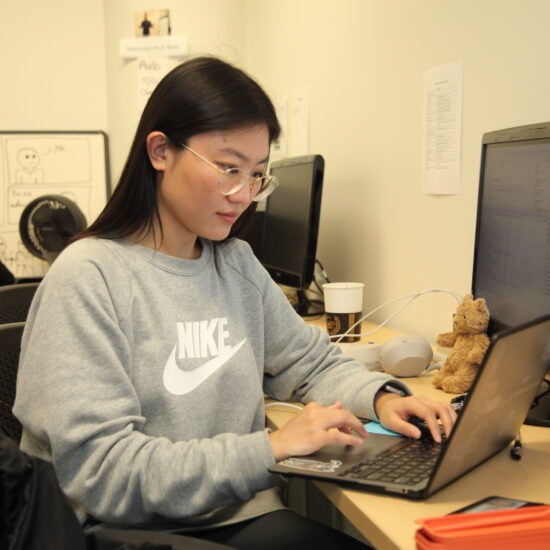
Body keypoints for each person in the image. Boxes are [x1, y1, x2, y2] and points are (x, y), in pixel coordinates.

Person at [13, 56, 456, 549]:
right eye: (228, 169)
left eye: (257, 175)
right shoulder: (89, 276)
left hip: (235, 518)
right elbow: (104, 473)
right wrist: (270, 448)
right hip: (127, 533)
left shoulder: (235, 263)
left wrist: (383, 398)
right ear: (160, 151)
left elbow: (306, 363)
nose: (243, 194)